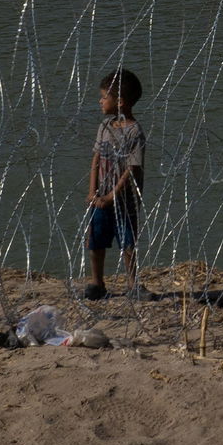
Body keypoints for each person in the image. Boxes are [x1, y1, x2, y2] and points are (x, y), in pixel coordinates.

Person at [85, 68, 148, 301]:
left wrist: (112, 195)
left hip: (125, 198)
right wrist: (93, 191)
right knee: (95, 239)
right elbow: (96, 159)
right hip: (100, 196)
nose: (100, 101)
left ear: (119, 102)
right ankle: (97, 282)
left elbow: (132, 169)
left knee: (127, 240)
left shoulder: (135, 132)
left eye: (104, 97)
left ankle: (133, 284)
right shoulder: (105, 126)